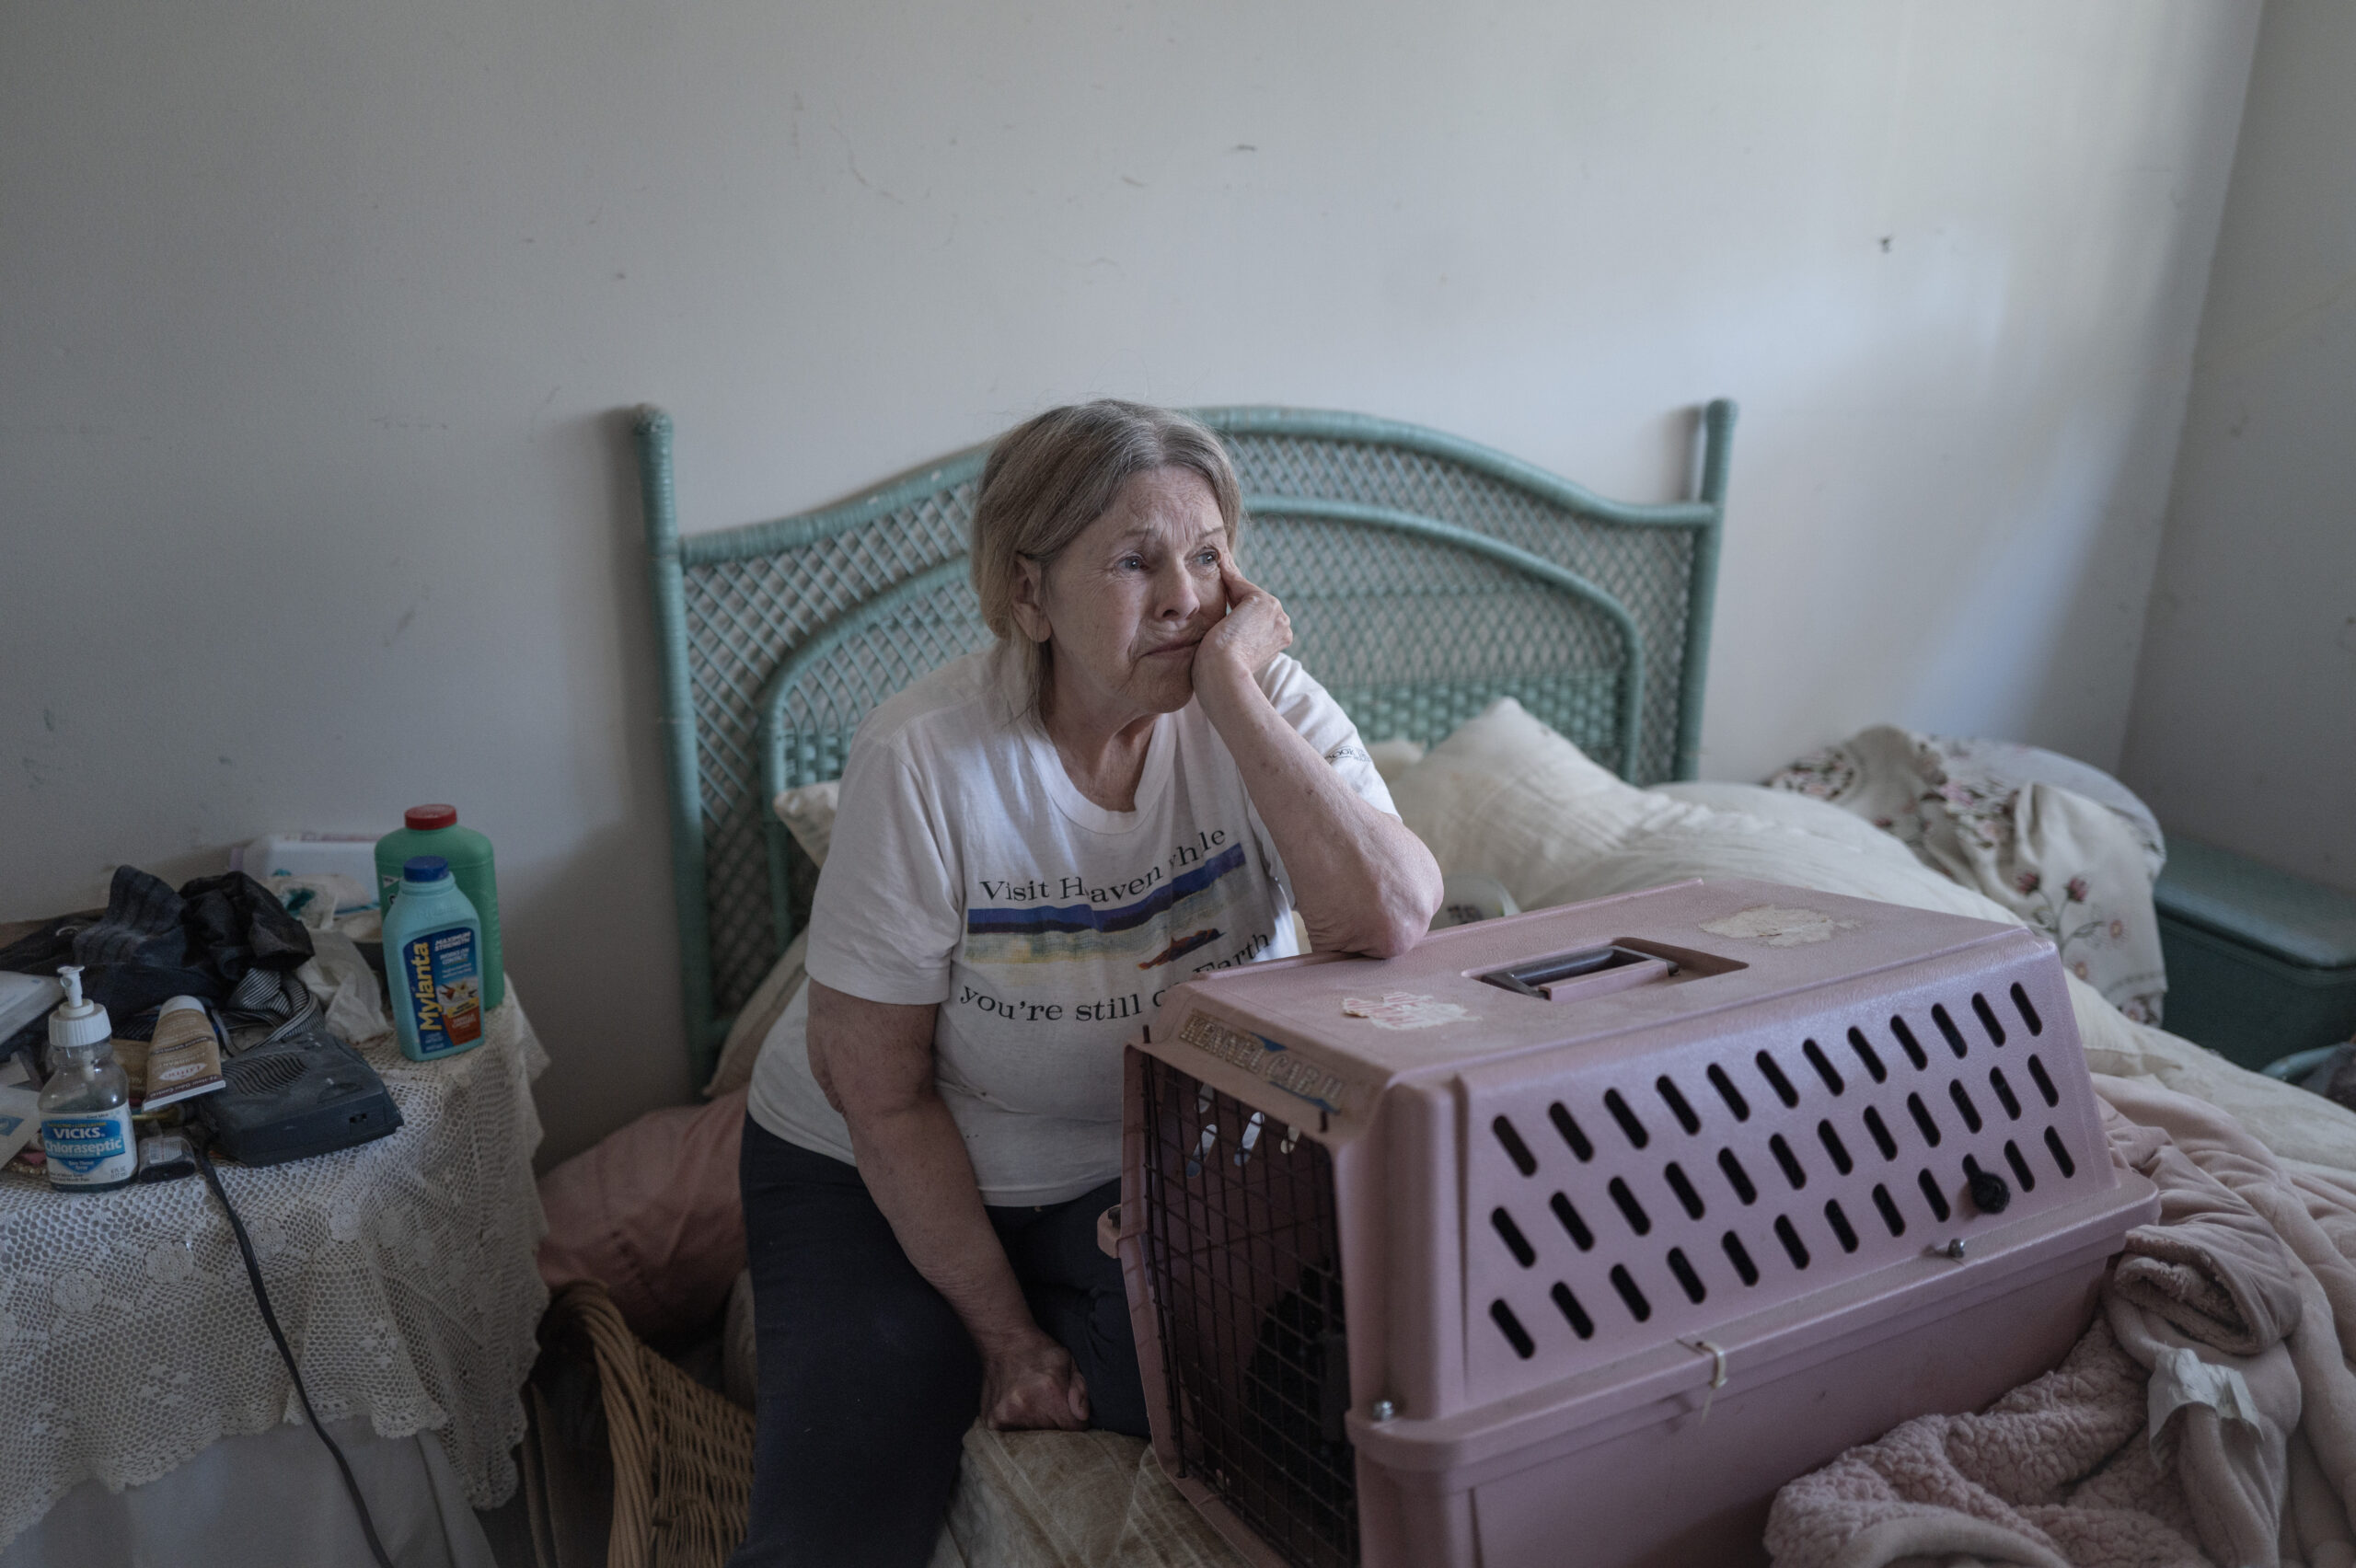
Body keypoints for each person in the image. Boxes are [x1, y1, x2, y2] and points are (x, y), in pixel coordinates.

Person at [731, 400, 1444, 1566]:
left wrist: (1231, 692)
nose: (1183, 595)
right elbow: (877, 1091)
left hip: (1134, 1158)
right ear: (1026, 595)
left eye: (1208, 557)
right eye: (1133, 560)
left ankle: (1075, 1286)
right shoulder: (923, 762)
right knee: (852, 1486)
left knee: (1229, 1395)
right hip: (869, 1158)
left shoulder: (1262, 706)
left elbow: (1391, 915)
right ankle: (961, 1307)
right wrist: (1005, 1339)